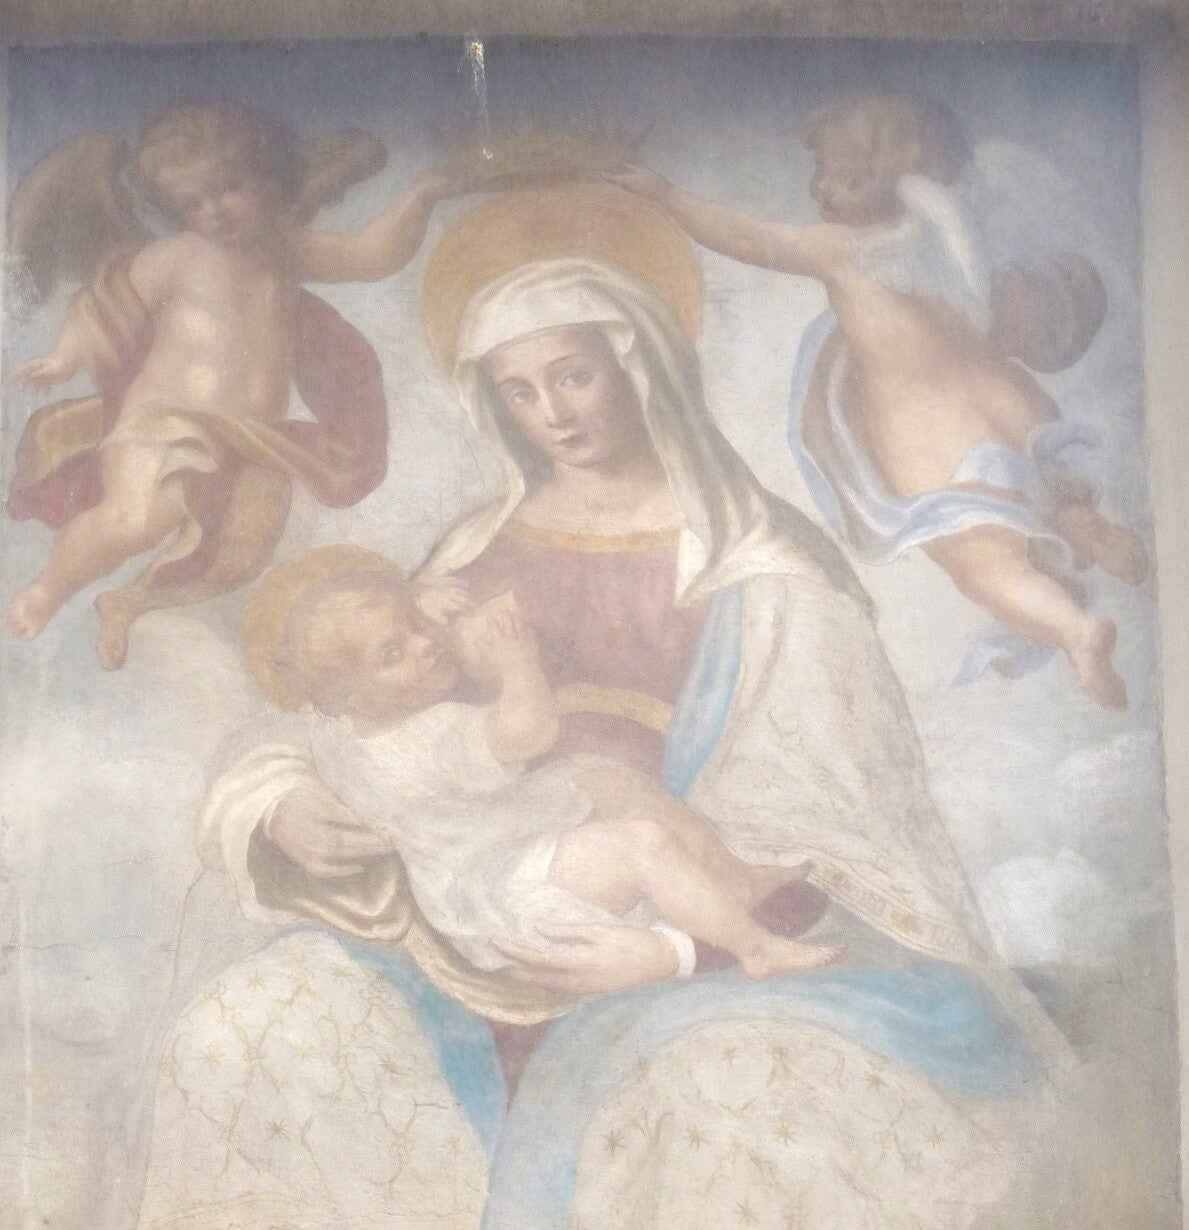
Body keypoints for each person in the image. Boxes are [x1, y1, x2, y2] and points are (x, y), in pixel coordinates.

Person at [137, 188, 1075, 1230]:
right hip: (461, 933)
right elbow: (335, 716)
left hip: (683, 938)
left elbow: (840, 832)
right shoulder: (462, 556)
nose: (554, 413)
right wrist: (275, 806)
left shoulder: (762, 572)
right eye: (521, 390)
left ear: (639, 366)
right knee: (244, 1031)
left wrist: (674, 952)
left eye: (574, 375)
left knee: (729, 1097)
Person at [608, 93, 1146, 709]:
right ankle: (1076, 519)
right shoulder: (951, 236)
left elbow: (749, 239)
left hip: (932, 433)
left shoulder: (846, 249)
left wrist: (666, 195)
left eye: (851, 179)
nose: (825, 190)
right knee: (1043, 493)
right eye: (822, 172)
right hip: (1010, 403)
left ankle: (1077, 634)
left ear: (898, 180)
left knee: (980, 559)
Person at [7, 101, 469, 667]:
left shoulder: (288, 249)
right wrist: (63, 359)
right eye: (193, 203)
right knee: (135, 520)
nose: (214, 212)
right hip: (165, 423)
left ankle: (129, 601)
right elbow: (104, 304)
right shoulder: (175, 258)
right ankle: (47, 589)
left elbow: (369, 257)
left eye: (228, 190)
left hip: (250, 437)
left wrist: (419, 197)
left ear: (266, 180)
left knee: (240, 554)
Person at [268, 564, 842, 978]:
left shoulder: (335, 726)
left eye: (415, 627)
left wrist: (413, 602)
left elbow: (343, 666)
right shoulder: (434, 739)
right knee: (641, 845)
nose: (424, 645)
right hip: (504, 890)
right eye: (393, 655)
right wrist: (518, 659)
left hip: (485, 840)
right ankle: (754, 948)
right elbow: (530, 733)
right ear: (354, 695)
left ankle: (733, 881)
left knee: (603, 777)